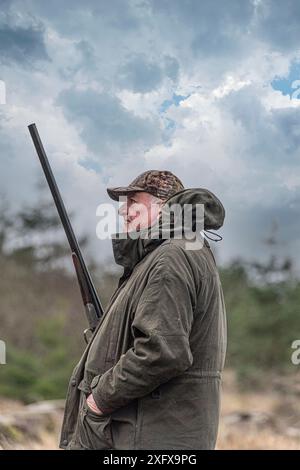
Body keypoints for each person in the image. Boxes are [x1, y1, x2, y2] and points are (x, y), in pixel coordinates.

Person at [60, 170, 227, 450]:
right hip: (154, 432)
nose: (123, 212)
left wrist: (98, 400)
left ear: (164, 205)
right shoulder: (177, 252)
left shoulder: (170, 257)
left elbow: (162, 351)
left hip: (147, 436)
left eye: (133, 202)